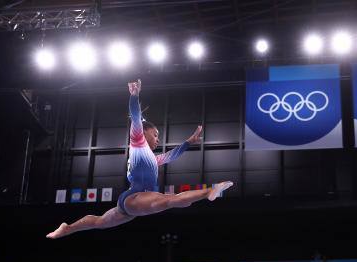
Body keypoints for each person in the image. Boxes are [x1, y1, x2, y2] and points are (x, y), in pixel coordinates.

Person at [47, 79, 233, 239]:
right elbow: (136, 117)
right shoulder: (138, 142)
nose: (158, 139)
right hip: (135, 197)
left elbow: (173, 155)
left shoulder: (154, 158)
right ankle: (211, 190)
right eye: (156, 134)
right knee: (172, 200)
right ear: (144, 132)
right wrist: (134, 96)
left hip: (134, 201)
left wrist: (189, 142)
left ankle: (68, 228)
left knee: (100, 221)